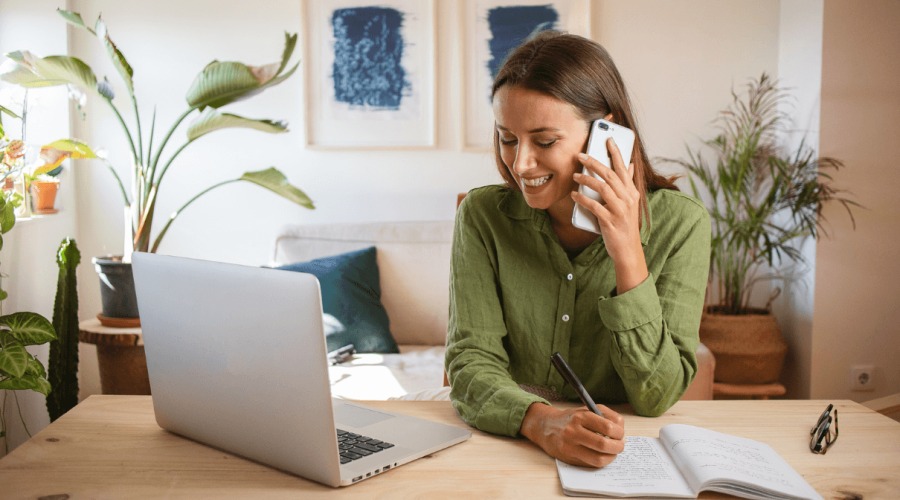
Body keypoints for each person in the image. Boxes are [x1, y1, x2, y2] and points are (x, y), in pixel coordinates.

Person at [445, 31, 712, 468]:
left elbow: (656, 397)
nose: (520, 163)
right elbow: (471, 363)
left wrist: (626, 250)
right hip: (508, 445)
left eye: (544, 141)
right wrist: (541, 423)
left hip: (624, 455)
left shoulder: (682, 225)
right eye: (507, 138)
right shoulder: (482, 216)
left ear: (604, 134)